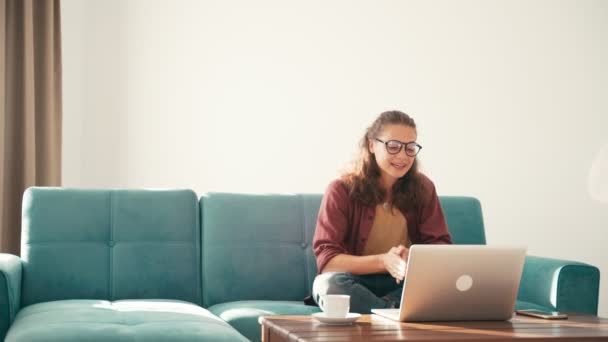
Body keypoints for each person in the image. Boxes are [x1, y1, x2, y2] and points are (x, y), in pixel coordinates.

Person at [311, 110, 452, 314]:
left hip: (401, 284)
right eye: (393, 146)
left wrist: (412, 256)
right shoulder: (341, 189)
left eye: (410, 148)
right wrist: (384, 261)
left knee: (448, 282)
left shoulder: (424, 188)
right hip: (354, 283)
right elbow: (328, 262)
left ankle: (385, 311)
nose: (403, 156)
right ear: (371, 145)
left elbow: (441, 248)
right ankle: (393, 312)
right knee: (328, 285)